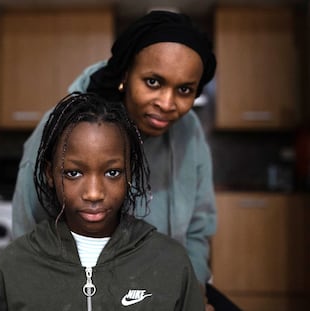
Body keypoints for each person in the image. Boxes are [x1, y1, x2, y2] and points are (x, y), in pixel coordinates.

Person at [12, 10, 241, 311]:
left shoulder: (190, 132)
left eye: (184, 90)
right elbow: (30, 235)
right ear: (124, 74)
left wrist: (193, 291)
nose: (167, 103)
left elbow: (198, 228)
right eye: (153, 82)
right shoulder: (62, 133)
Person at [0, 93, 204, 310]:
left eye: (113, 173)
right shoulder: (15, 264)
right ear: (50, 174)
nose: (94, 193)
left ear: (130, 173)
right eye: (74, 173)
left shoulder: (170, 262)